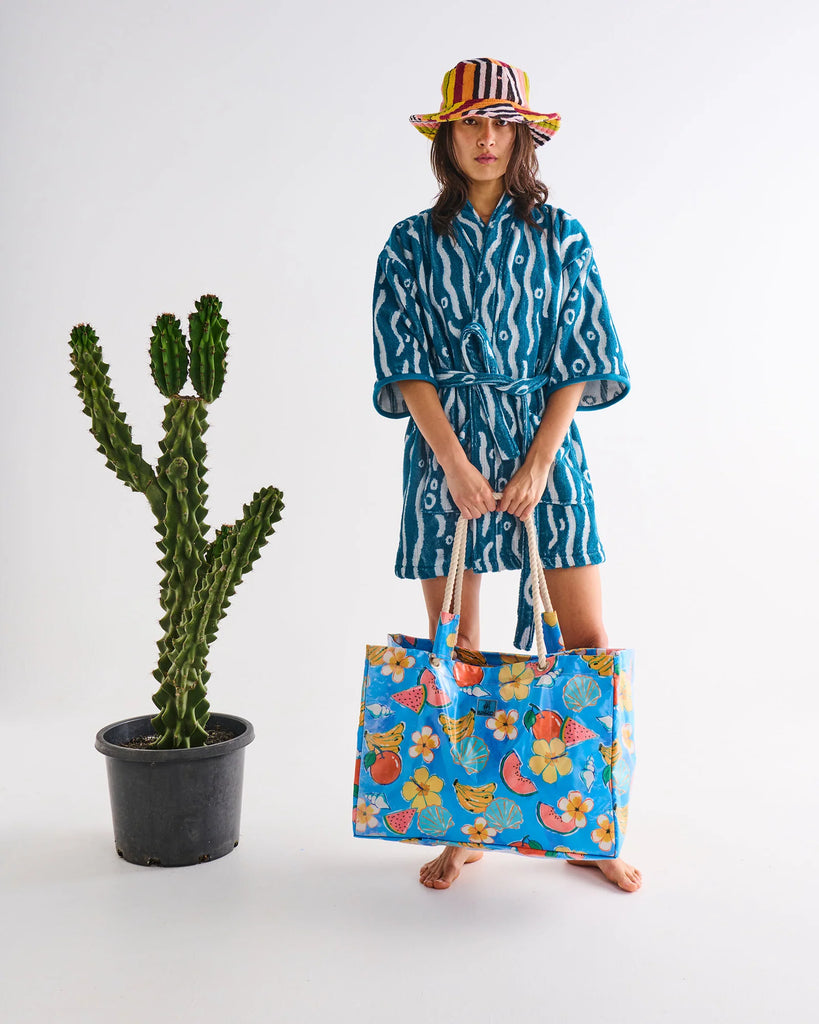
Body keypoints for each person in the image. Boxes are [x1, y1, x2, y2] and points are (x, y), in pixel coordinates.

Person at [371, 57, 642, 893]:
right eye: (469, 123)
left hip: (544, 448)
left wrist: (539, 461)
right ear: (445, 136)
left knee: (583, 645)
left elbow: (581, 356)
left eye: (499, 123)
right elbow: (404, 362)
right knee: (452, 651)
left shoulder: (563, 236)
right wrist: (452, 463)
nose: (484, 138)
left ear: (521, 136)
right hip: (442, 453)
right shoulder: (408, 243)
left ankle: (586, 825)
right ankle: (466, 827)